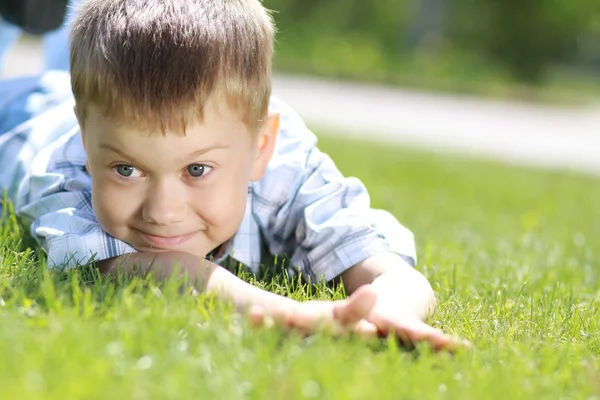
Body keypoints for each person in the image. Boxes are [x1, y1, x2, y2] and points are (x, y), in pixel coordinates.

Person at [0, 0, 468, 350]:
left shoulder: (288, 168)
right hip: (17, 111)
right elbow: (138, 269)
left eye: (196, 169)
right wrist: (293, 312)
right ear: (87, 141)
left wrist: (386, 311)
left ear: (260, 147)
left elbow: (383, 260)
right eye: (127, 169)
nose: (162, 212)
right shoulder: (68, 169)